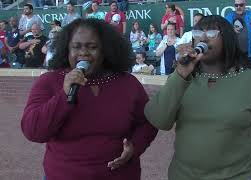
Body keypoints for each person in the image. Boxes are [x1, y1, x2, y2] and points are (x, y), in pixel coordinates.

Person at [145, 15, 251, 180]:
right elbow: (159, 119)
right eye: (197, 33)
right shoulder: (183, 78)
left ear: (228, 39)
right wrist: (179, 74)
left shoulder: (250, 81)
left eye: (211, 34)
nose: (202, 38)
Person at [21, 18, 157, 179]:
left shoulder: (128, 83)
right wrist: (64, 96)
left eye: (92, 47)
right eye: (76, 47)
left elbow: (148, 122)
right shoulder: (49, 82)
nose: (83, 53)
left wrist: (134, 147)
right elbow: (33, 131)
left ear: (105, 50)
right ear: (66, 50)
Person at [225, 0, 251, 74]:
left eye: (241, 5)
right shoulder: (229, 17)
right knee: (237, 74)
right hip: (235, 53)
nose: (238, 7)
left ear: (245, 5)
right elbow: (224, 33)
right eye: (236, 5)